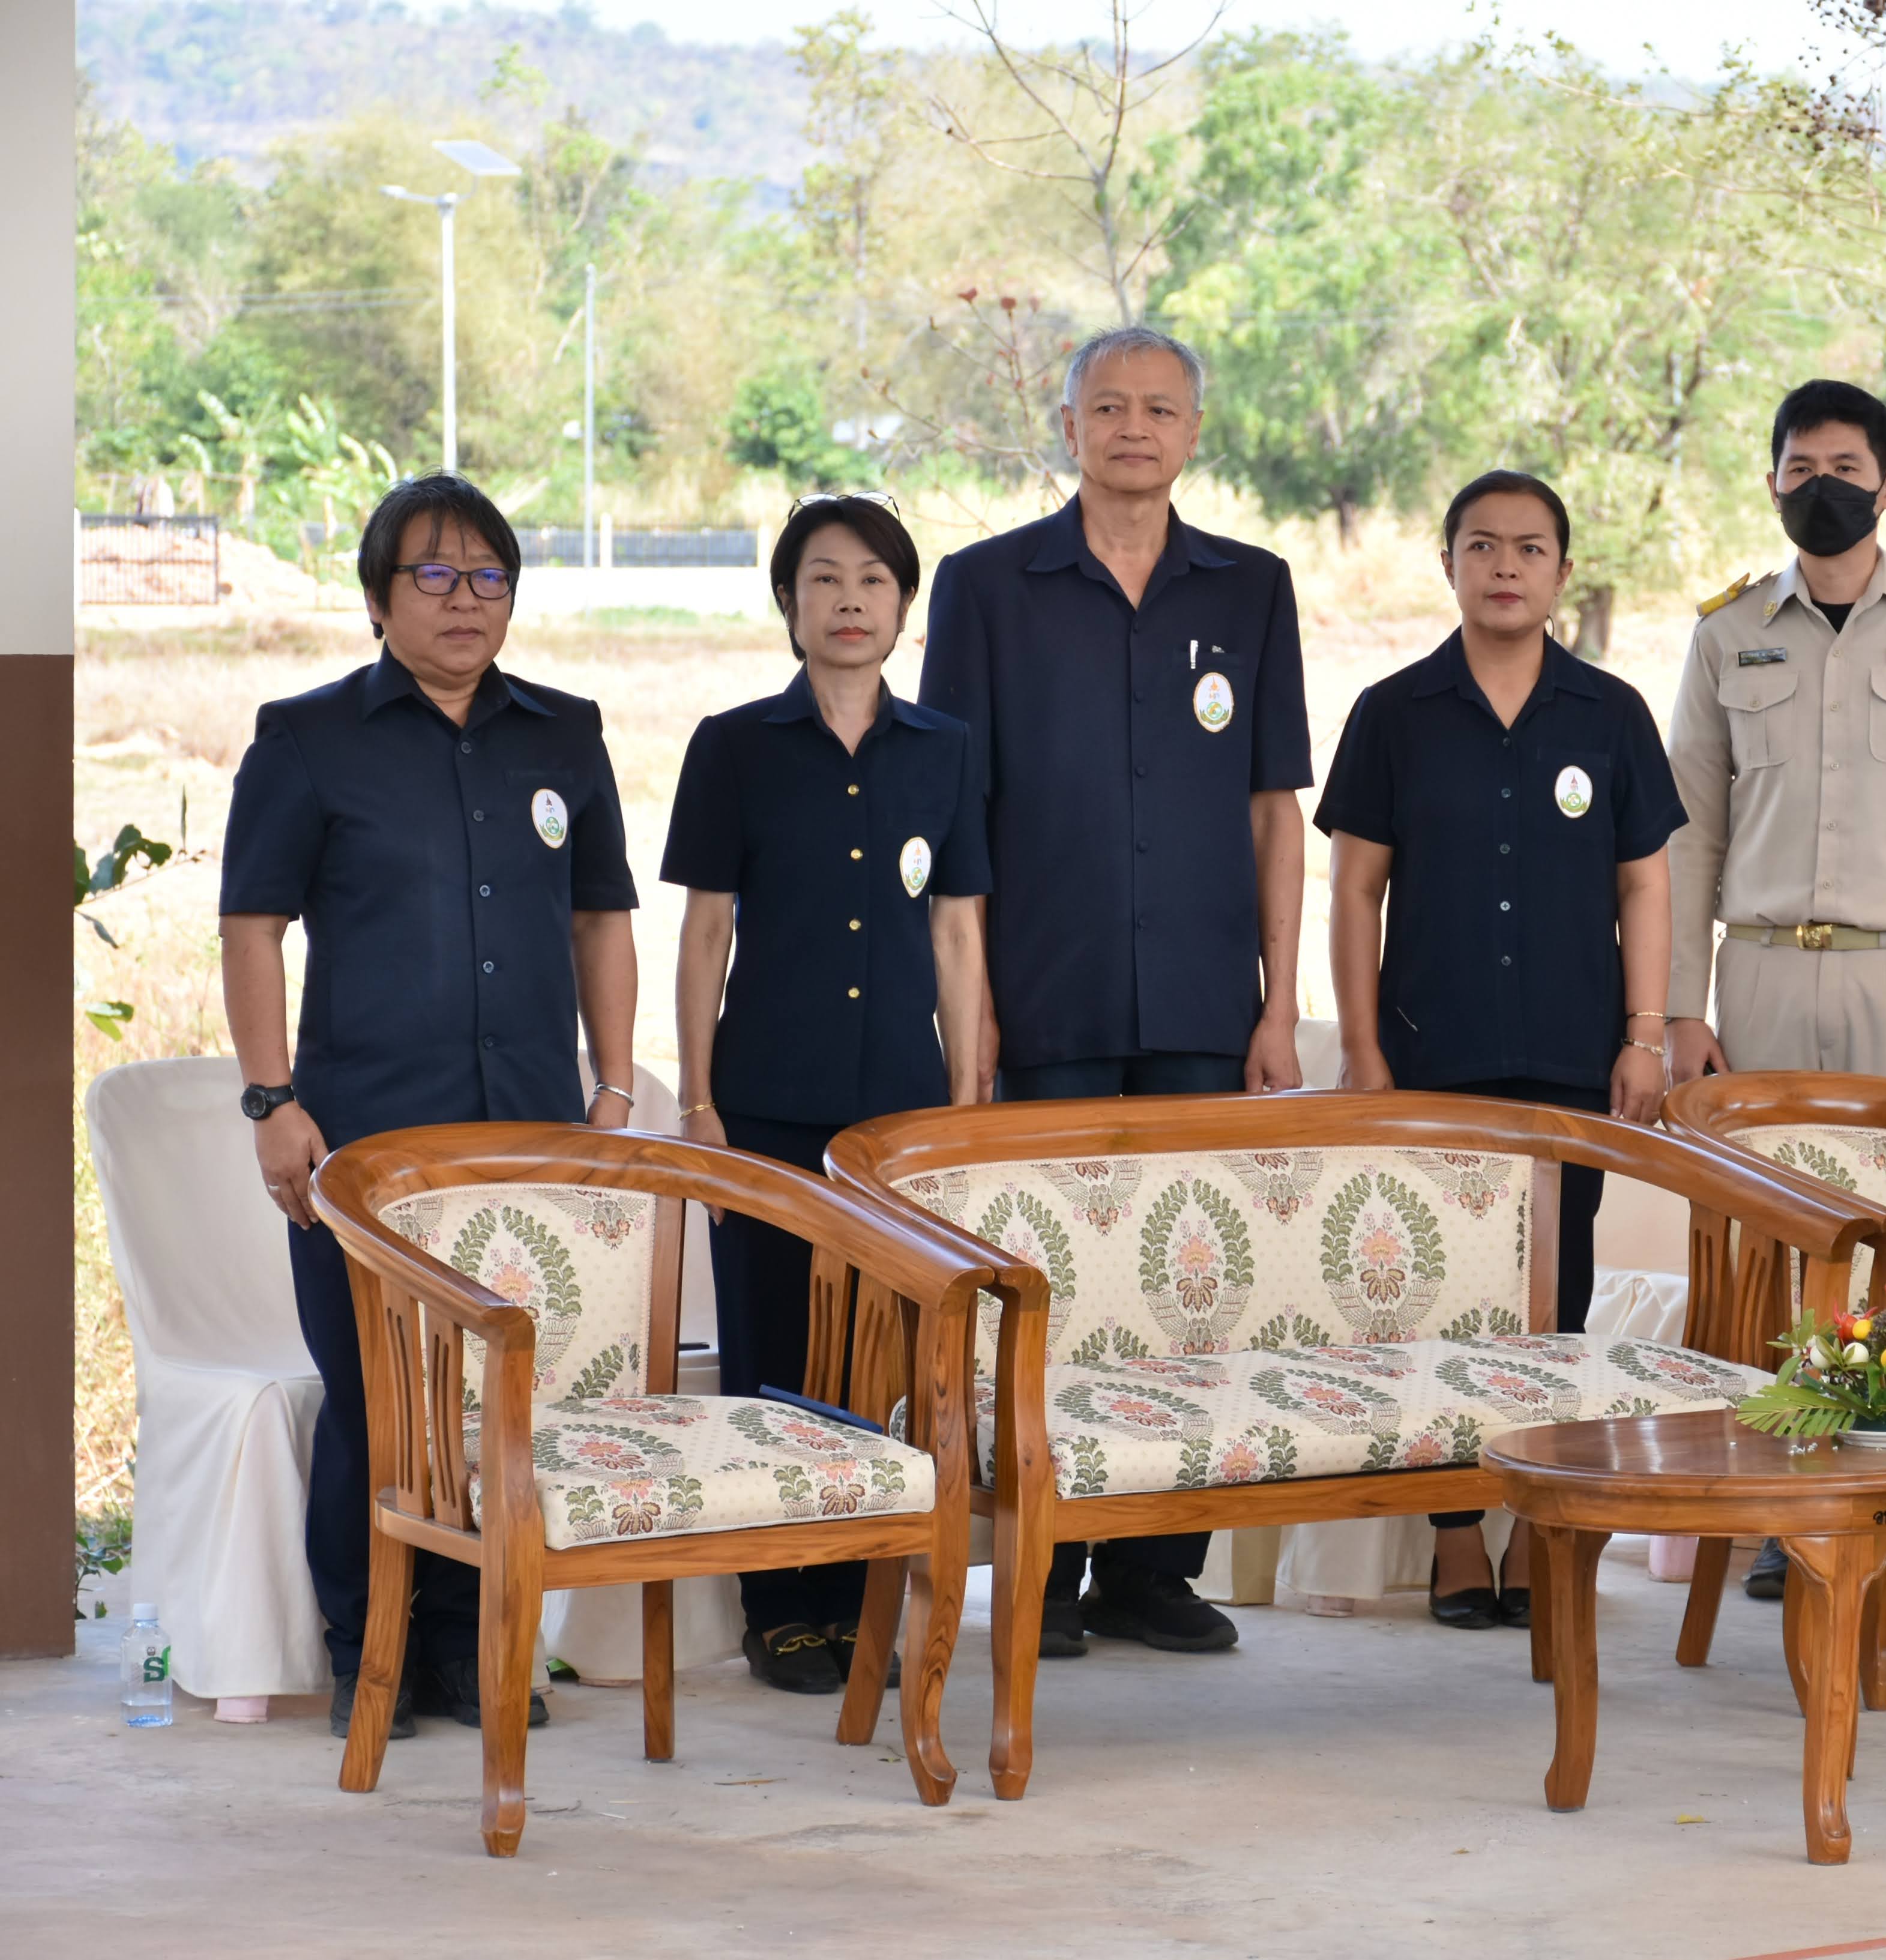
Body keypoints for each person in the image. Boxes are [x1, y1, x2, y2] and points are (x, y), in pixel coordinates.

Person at [219, 474, 639, 1740]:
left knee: (504, 1395)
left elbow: (601, 918)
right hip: (367, 1136)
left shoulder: (566, 734)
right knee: (375, 1394)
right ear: (377, 598)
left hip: (525, 1123)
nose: (466, 601)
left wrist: (611, 1084)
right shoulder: (305, 739)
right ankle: (374, 1649)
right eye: (435, 576)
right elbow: (252, 928)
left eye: (489, 577)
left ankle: (475, 1648)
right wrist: (270, 1099)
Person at [918, 325, 1312, 1662]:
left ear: (1194, 431)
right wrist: (966, 1013)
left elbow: (1274, 808)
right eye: (1109, 407)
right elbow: (955, 818)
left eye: (1160, 407)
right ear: (1068, 426)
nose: (1134, 428)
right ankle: (1045, 1559)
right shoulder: (985, 590)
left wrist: (1277, 1004)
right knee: (1051, 1288)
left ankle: (1152, 1568)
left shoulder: (1251, 590)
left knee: (1191, 1283)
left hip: (1206, 999)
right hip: (1047, 997)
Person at [1321, 469, 1685, 1629]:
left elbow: (1645, 885)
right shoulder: (1394, 711)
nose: (1507, 567)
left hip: (1571, 1058)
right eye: (1482, 546)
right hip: (1434, 1054)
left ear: (1562, 573)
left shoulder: (1610, 714)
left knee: (1557, 1299)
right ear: (1449, 566)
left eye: (1530, 549)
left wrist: (1643, 1036)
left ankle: (1539, 1525)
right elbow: (1353, 891)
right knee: (1442, 1299)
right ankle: (1451, 1539)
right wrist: (1365, 1055)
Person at [664, 493, 989, 1695]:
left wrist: (960, 1110)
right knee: (770, 1354)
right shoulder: (735, 746)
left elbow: (958, 939)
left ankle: (865, 1597)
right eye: (822, 580)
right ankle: (780, 1605)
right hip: (763, 1105)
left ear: (903, 605)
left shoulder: (946, 751)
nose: (848, 602)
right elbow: (702, 938)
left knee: (884, 1364)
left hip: (897, 1122)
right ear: (788, 605)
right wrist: (697, 1102)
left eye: (873, 581)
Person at [1663, 378, 1886, 1602]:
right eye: (1799, 468)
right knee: (1778, 1250)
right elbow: (1690, 831)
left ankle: (1876, 1505)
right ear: (1773, 482)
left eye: (1846, 466)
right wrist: (1681, 1008)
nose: (1823, 487)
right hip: (1766, 978)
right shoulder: (1727, 630)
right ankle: (1781, 1505)